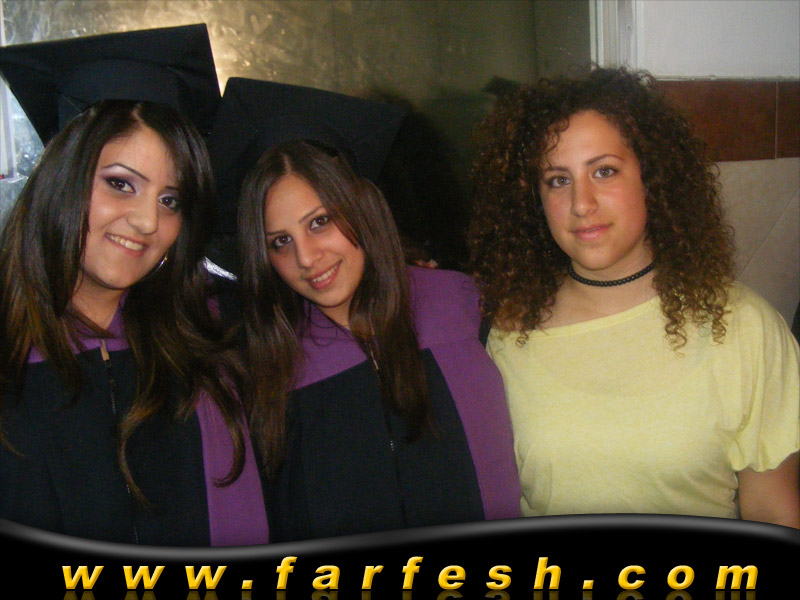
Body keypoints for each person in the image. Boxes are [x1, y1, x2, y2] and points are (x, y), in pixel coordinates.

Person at [468, 66, 800, 528]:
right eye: (558, 180)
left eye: (604, 171)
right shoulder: (507, 333)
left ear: (652, 177)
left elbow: (773, 511)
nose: (581, 203)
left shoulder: (744, 327)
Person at [207, 77, 521, 542]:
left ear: (363, 207)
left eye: (320, 222)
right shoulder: (263, 363)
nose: (307, 258)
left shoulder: (464, 307)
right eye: (280, 242)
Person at [0, 25, 268, 545]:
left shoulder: (213, 334)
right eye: (120, 184)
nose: (147, 222)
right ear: (62, 178)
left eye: (171, 201)